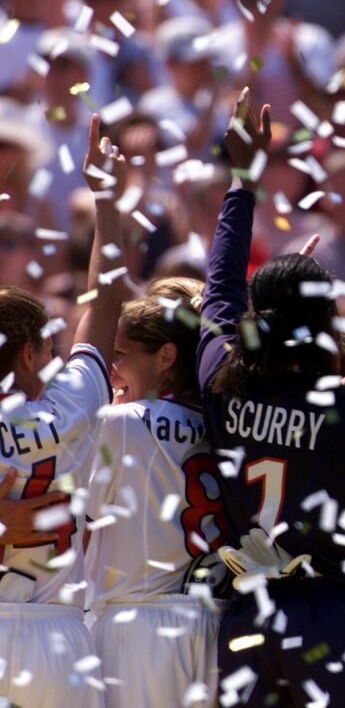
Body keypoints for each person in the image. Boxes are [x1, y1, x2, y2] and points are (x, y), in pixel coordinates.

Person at [197, 92, 345, 706]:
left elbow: (218, 291)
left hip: (252, 616)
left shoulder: (222, 383)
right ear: (326, 319)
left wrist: (243, 179)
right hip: (341, 616)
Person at [0, 116, 128, 708]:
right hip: (58, 635)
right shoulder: (74, 402)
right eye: (48, 348)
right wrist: (106, 196)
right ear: (28, 352)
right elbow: (106, 297)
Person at [85, 276, 232, 708]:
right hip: (217, 626)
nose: (110, 370)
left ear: (166, 355)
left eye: (119, 356)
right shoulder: (226, 421)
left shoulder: (121, 421)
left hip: (140, 630)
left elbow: (84, 520)